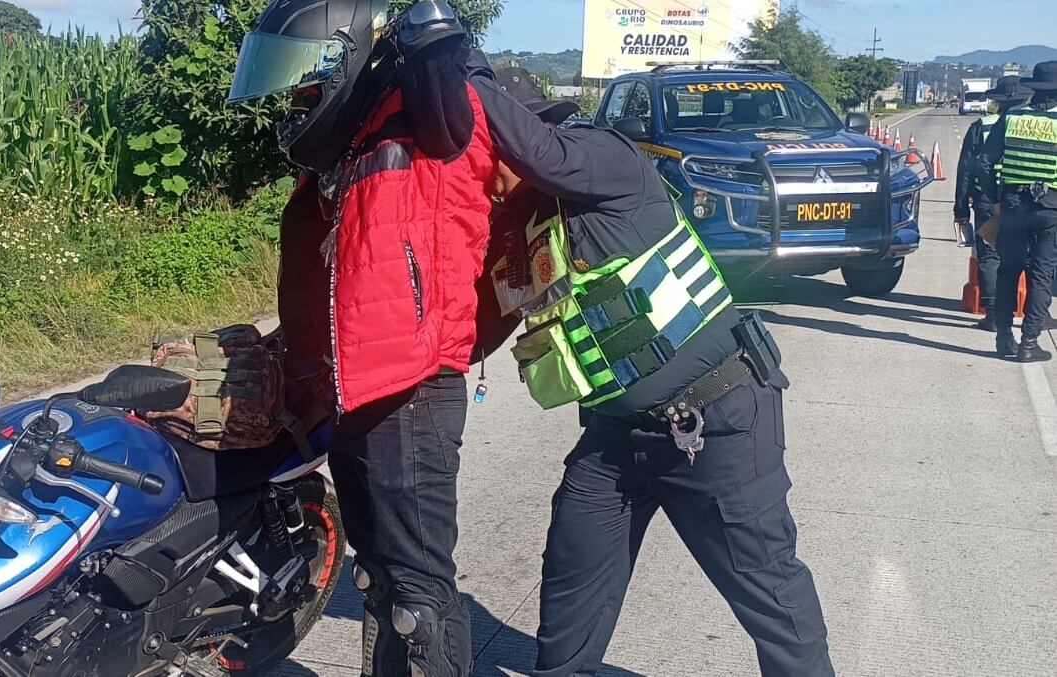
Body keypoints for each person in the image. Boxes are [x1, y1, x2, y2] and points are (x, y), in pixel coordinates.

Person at [469, 63, 834, 676]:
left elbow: (543, 153)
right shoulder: (529, 221)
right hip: (617, 436)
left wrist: (453, 69)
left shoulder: (601, 155)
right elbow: (484, 322)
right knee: (572, 569)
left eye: (486, 156)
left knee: (767, 589)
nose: (484, 177)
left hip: (715, 420)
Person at [229, 2, 498, 675]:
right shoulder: (356, 134)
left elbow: (457, 112)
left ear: (347, 58)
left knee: (420, 595)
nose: (296, 100)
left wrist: (432, 41)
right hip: (356, 387)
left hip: (413, 390)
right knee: (377, 580)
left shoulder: (423, 109)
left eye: (305, 82)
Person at [979, 61, 1057, 362]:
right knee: (1041, 275)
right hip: (1050, 207)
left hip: (1012, 205)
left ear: (1033, 89)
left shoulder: (1012, 117)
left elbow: (984, 163)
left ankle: (1003, 337)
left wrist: (994, 196)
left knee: (1008, 270)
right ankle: (1029, 343)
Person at [954, 76, 1032, 332]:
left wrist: (961, 206)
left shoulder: (981, 126)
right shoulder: (1031, 126)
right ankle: (1028, 310)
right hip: (1025, 199)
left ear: (996, 101)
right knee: (1027, 254)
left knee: (989, 255)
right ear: (1025, 99)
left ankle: (992, 313)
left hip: (988, 200)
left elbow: (966, 169)